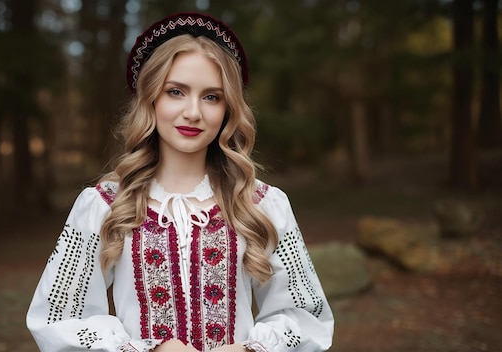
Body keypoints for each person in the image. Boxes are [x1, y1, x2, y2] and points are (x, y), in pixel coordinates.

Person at [27, 12, 334, 352]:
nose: (193, 112)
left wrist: (249, 350)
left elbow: (308, 318)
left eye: (212, 97)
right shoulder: (104, 206)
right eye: (176, 92)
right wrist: (150, 349)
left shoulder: (261, 204)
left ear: (228, 110)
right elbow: (58, 318)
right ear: (152, 98)